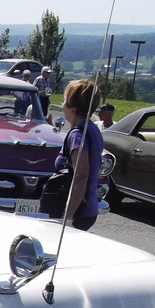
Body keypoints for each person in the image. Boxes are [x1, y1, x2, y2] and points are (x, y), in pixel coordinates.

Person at [54, 79, 103, 230]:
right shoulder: (93, 129)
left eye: (64, 100)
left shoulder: (78, 135)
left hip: (78, 212)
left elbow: (80, 176)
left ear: (73, 108)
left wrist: (68, 217)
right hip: (90, 206)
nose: (62, 105)